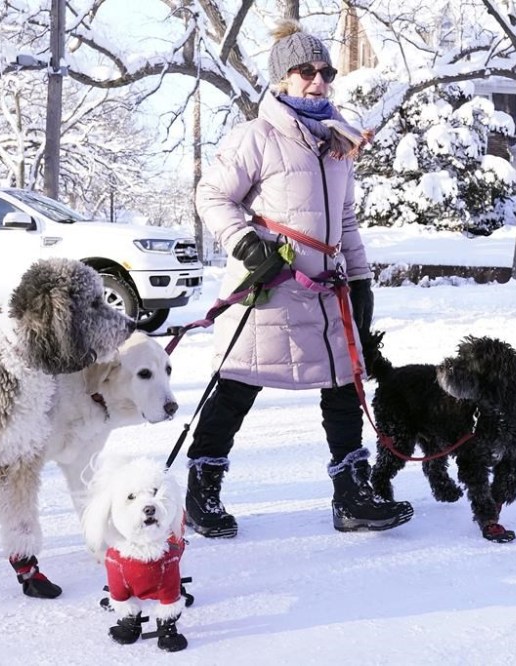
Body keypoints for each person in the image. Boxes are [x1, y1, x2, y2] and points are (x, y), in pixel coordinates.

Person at [185, 19, 414, 538]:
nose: (318, 80)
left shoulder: (337, 144)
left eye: (325, 71)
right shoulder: (255, 137)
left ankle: (352, 495)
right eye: (305, 71)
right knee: (237, 385)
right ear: (281, 79)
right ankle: (202, 494)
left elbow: (346, 220)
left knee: (342, 386)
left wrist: (360, 280)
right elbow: (212, 197)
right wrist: (244, 242)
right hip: (268, 289)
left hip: (327, 291)